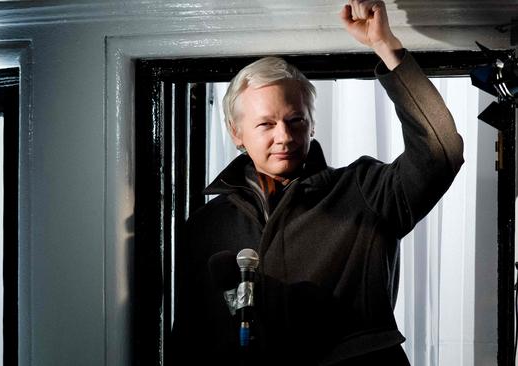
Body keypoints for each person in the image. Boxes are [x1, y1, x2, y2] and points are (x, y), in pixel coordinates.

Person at [171, 1, 464, 365]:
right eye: (266, 124)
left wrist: (386, 46)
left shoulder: (365, 192)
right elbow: (188, 341)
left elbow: (441, 154)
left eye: (295, 121)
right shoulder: (205, 225)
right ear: (237, 134)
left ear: (312, 124)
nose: (285, 137)